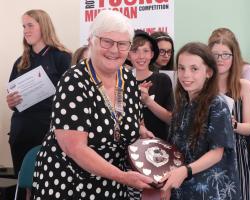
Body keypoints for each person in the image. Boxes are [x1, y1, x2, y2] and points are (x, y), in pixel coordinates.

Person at [31, 10, 154, 200]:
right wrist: (122, 177)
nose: (114, 50)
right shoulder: (74, 81)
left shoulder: (128, 78)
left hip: (112, 182)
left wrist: (138, 129)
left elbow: (119, 114)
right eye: (107, 41)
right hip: (69, 182)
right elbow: (75, 148)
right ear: (92, 40)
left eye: (122, 44)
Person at [160, 42, 241, 200]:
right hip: (182, 188)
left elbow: (216, 153)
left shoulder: (217, 105)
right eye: (181, 68)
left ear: (208, 72)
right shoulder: (182, 103)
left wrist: (185, 171)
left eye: (194, 69)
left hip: (210, 192)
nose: (186, 75)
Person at [6, 9, 71, 178]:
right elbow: (13, 101)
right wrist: (11, 102)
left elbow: (71, 98)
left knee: (49, 181)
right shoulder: (20, 62)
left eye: (30, 25)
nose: (25, 30)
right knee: (23, 182)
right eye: (23, 26)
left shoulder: (62, 58)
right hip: (21, 131)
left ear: (44, 26)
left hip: (49, 130)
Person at [208, 29, 250, 200]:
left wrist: (233, 124)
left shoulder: (244, 86)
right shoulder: (203, 86)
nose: (220, 60)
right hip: (209, 150)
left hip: (236, 152)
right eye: (215, 55)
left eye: (225, 54)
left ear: (234, 56)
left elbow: (249, 128)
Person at [127, 30, 174, 140]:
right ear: (128, 55)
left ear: (152, 54)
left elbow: (171, 119)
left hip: (160, 145)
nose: (141, 56)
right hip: (130, 146)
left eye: (145, 51)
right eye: (135, 51)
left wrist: (148, 101)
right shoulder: (123, 81)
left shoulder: (163, 80)